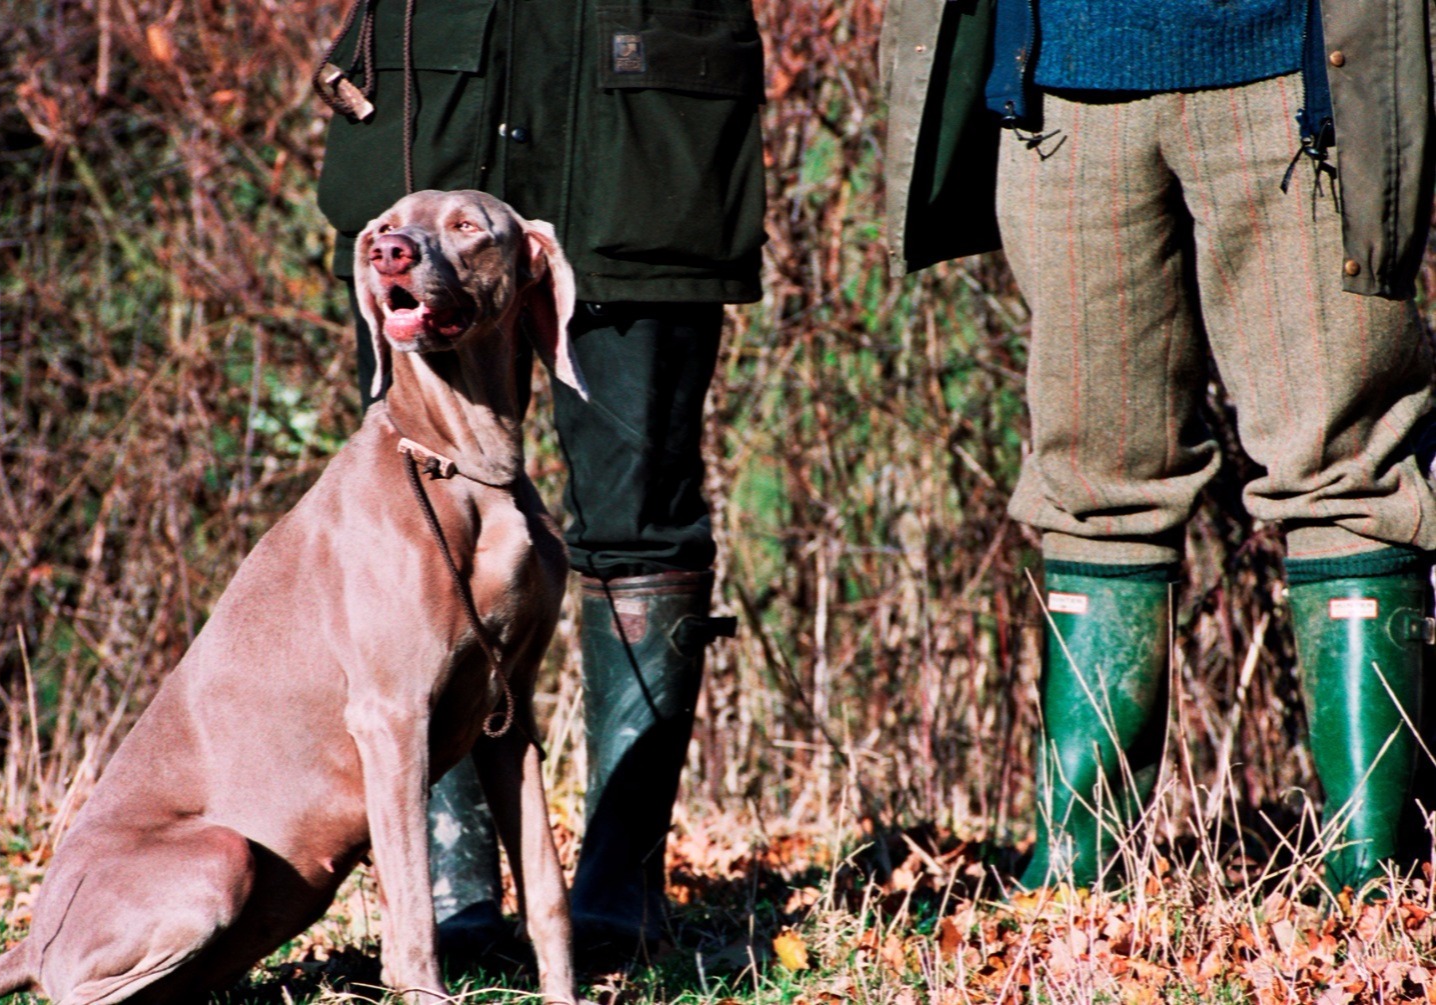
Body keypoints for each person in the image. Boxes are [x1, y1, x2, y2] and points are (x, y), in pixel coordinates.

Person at [882, 0, 1436, 895]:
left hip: (1295, 78)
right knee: (1093, 484)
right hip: (1059, 87)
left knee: (1346, 468)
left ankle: (1378, 877)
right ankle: (1078, 873)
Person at [313, 0, 765, 959]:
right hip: (433, 99)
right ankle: (450, 876)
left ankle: (620, 879)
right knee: (418, 503)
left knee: (641, 514)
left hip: (644, 119)